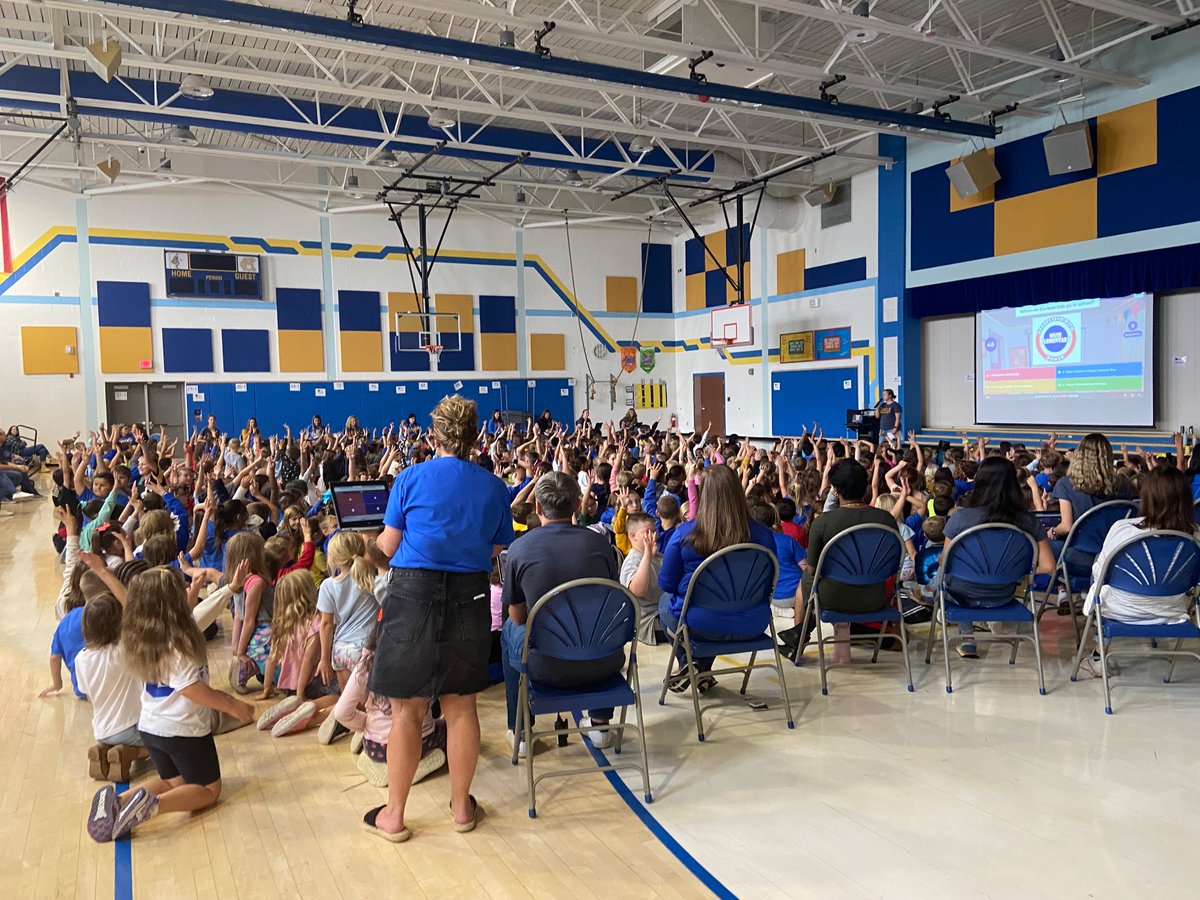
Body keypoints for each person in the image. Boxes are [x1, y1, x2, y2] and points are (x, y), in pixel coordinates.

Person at [365, 395, 514, 842]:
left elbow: (387, 548)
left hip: (412, 593)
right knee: (461, 706)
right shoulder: (493, 486)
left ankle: (394, 815)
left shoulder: (410, 478)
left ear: (434, 436)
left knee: (408, 709)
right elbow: (493, 551)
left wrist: (366, 553)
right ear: (474, 438)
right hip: (469, 594)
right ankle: (461, 809)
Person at [87, 568, 255, 844]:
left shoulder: (141, 636)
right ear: (173, 602)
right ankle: (152, 807)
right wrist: (232, 705)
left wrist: (228, 589)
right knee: (208, 790)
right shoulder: (180, 642)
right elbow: (190, 688)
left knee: (173, 782)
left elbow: (196, 614)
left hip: (152, 728)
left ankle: (118, 801)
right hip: (183, 731)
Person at [501, 471, 620, 756]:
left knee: (508, 629)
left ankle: (520, 731)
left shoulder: (520, 549)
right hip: (603, 658)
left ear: (538, 508)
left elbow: (518, 617)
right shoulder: (601, 545)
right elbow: (613, 602)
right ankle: (601, 724)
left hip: (546, 663)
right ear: (578, 505)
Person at [658, 463, 776, 692]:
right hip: (753, 621)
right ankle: (697, 667)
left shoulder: (684, 535)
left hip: (702, 624)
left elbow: (667, 584)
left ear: (704, 495)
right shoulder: (764, 536)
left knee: (665, 603)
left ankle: (690, 664)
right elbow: (769, 582)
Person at [1079, 466, 1200, 676]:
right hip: (1171, 610)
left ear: (1146, 497)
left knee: (1099, 570)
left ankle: (1099, 656)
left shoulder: (1123, 529)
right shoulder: (1195, 537)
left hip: (1119, 609)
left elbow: (1100, 575)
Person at [781, 459, 899, 665]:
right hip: (876, 596)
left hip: (834, 597)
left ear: (835, 490)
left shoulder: (823, 522)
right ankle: (798, 636)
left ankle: (798, 639)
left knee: (807, 578)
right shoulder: (886, 520)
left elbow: (812, 568)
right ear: (866, 486)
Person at [940, 457, 1056, 657]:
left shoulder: (960, 518)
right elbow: (1049, 566)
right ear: (1013, 484)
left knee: (937, 580)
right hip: (1003, 593)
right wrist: (1017, 573)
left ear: (979, 482)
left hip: (962, 592)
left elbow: (944, 562)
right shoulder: (1028, 521)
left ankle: (967, 637)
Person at [75, 594, 150, 782]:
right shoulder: (122, 651)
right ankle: (129, 753)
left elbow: (89, 697)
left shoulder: (80, 659)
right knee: (164, 744)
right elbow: (138, 621)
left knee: (114, 737)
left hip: (101, 729)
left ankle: (104, 749)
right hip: (130, 728)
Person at [317, 532, 381, 692]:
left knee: (348, 707)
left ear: (333, 558)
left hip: (339, 650)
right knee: (367, 707)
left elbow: (325, 624)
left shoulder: (327, 585)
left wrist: (324, 659)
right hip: (365, 649)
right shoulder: (370, 578)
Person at [621, 512, 662, 644]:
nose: (654, 536)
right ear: (633, 536)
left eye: (655, 531)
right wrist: (647, 557)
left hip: (664, 611)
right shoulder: (633, 561)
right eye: (648, 532)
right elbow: (638, 591)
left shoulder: (659, 557)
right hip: (649, 621)